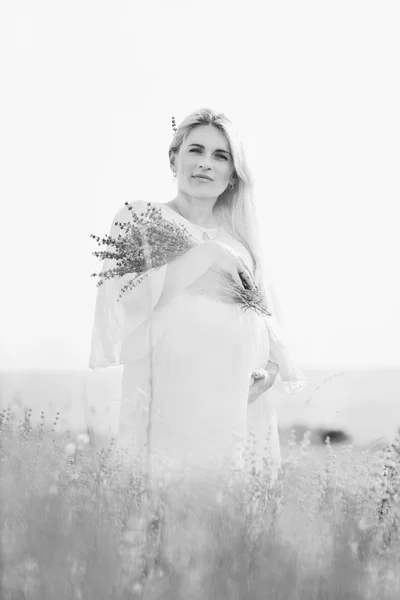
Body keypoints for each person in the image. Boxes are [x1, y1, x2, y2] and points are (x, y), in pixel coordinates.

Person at [89, 107, 307, 490]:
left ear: (233, 176)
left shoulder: (243, 244)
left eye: (220, 156)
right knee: (162, 514)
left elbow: (272, 334)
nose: (206, 164)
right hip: (166, 406)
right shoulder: (141, 219)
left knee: (229, 528)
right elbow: (135, 302)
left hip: (237, 413)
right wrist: (206, 255)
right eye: (196, 150)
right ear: (174, 159)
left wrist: (267, 376)